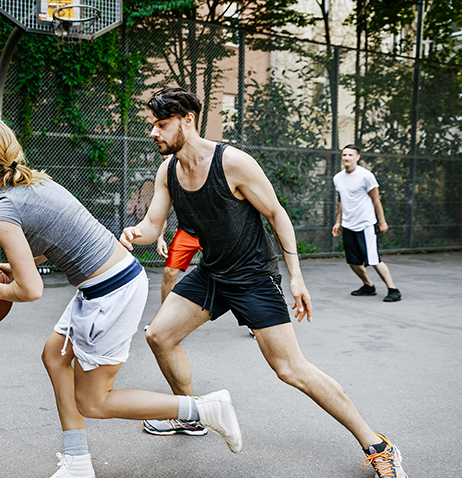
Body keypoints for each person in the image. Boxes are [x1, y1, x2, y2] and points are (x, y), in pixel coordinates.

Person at [0, 116, 242, 478]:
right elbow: (54, 241)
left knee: (94, 401)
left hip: (110, 293)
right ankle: (77, 462)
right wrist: (15, 268)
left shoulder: (4, 209)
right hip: (111, 281)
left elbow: (31, 289)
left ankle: (203, 410)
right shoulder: (38, 182)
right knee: (54, 357)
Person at [120, 87, 406, 477]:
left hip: (253, 276)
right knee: (159, 335)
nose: (153, 132)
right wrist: (135, 232)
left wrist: (296, 277)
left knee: (290, 368)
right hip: (212, 272)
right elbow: (154, 224)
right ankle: (189, 414)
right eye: (152, 125)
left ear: (188, 119)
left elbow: (276, 214)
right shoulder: (168, 171)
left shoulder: (232, 162)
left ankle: (376, 443)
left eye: (161, 124)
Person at [332, 145, 401, 302]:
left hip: (365, 225)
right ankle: (368, 286)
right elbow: (342, 200)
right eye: (344, 155)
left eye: (350, 154)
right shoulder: (338, 178)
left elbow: (376, 200)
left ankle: (393, 290)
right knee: (353, 262)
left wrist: (382, 221)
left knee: (374, 260)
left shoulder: (366, 176)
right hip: (348, 225)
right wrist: (338, 221)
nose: (347, 157)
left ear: (358, 157)